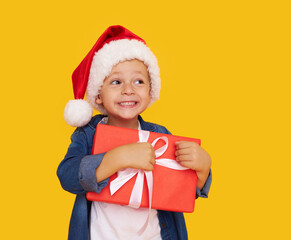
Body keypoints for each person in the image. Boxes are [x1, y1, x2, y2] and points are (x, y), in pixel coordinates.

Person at [57, 25, 212, 240]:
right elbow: (67, 176)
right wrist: (117, 158)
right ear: (98, 95)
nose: (128, 89)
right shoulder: (87, 134)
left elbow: (179, 192)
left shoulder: (161, 137)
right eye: (116, 82)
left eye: (138, 81)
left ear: (150, 92)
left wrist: (202, 170)